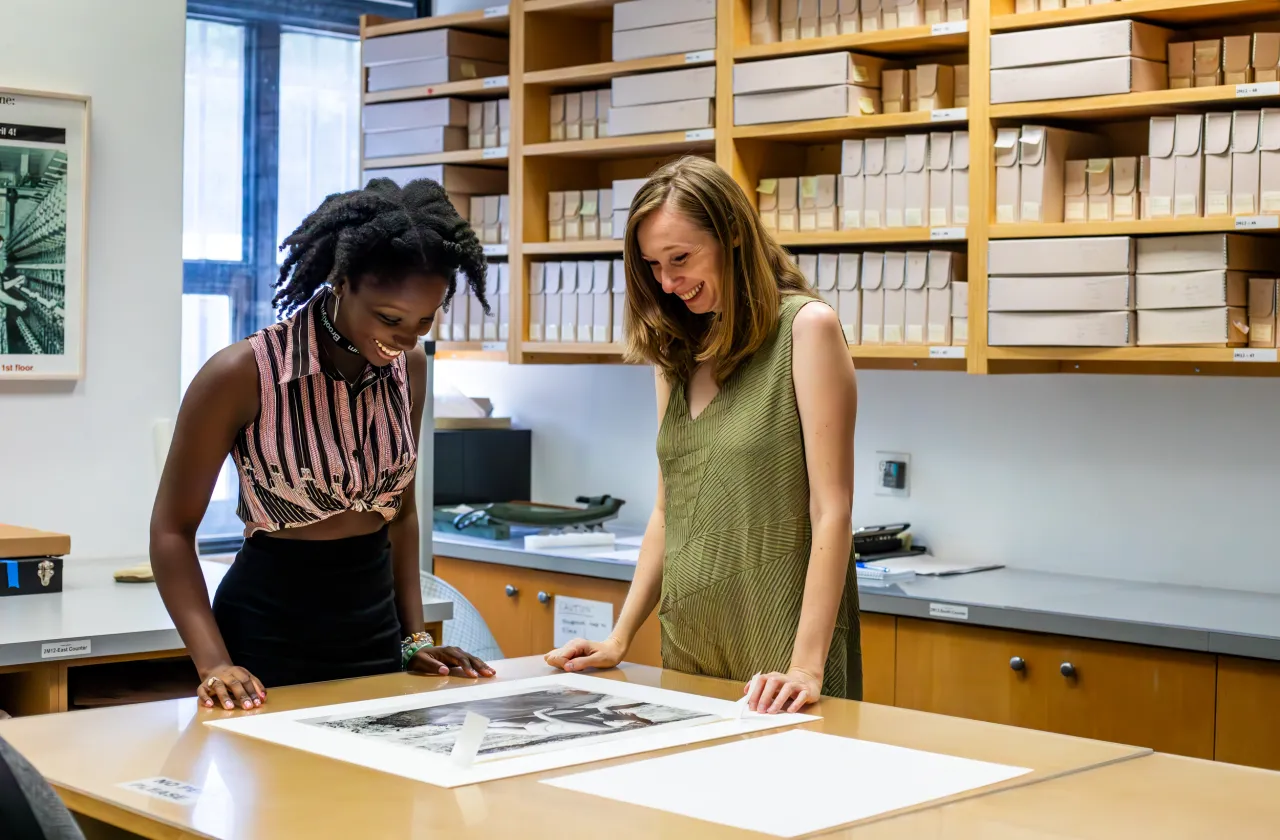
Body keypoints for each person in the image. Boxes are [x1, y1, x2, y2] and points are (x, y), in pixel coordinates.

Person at [151, 178, 496, 712]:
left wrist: (415, 639)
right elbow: (172, 531)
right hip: (268, 637)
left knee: (385, 794)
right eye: (390, 319)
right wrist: (213, 662)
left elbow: (400, 514)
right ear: (341, 283)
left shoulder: (413, 368)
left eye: (424, 321)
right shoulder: (243, 373)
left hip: (376, 633)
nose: (405, 339)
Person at [545, 156, 860, 714]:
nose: (668, 283)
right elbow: (669, 512)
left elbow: (830, 511)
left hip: (783, 657)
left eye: (681, 259)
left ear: (733, 235)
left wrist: (806, 667)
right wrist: (620, 637)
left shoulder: (807, 330)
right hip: (691, 642)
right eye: (653, 266)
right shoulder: (675, 352)